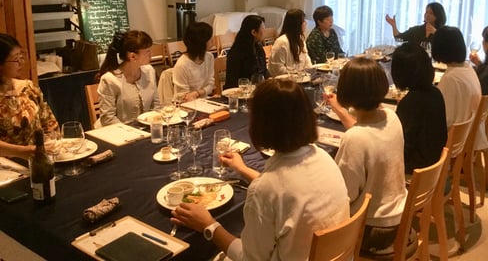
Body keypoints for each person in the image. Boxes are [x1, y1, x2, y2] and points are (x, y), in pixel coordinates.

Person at [171, 79, 349, 260]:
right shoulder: (323, 157)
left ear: (259, 124)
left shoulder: (266, 189)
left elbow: (249, 258)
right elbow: (285, 188)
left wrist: (208, 225)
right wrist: (242, 169)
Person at [326, 57, 407, 256]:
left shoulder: (355, 139)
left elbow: (344, 195)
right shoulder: (392, 117)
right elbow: (365, 131)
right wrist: (339, 109)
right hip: (400, 215)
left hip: (372, 229)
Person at [391, 43, 447, 174]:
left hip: (415, 168)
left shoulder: (411, 103)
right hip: (433, 161)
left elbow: (401, 146)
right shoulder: (435, 93)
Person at [0, 33, 57, 158]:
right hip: (6, 164)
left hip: (39, 158)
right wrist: (23, 152)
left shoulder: (28, 87)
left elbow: (49, 122)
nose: (21, 63)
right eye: (16, 59)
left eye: (22, 57)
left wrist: (52, 142)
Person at [97, 30, 159, 126]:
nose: (151, 55)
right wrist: (134, 131)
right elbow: (108, 119)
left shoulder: (149, 71)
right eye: (147, 52)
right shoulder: (109, 80)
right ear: (133, 56)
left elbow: (156, 105)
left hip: (146, 128)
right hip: (119, 131)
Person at [432, 27, 481, 143]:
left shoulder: (451, 78)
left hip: (452, 141)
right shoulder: (468, 68)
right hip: (468, 134)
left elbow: (444, 120)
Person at [224, 15, 270, 89]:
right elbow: (232, 82)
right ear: (253, 32)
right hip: (242, 91)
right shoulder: (237, 52)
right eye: (263, 28)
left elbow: (264, 71)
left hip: (259, 88)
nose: (265, 31)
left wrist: (271, 80)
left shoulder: (258, 47)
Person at [172, 22, 215, 101]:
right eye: (210, 38)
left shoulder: (209, 57)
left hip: (203, 101)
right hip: (186, 104)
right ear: (201, 42)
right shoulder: (182, 64)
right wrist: (199, 95)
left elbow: (211, 84)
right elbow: (183, 97)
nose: (213, 41)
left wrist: (197, 93)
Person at [268, 9, 312, 77]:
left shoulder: (300, 38)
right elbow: (277, 69)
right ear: (297, 24)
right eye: (303, 21)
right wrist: (296, 74)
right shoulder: (282, 42)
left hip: (301, 77)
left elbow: (306, 58)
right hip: (285, 80)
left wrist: (309, 71)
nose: (305, 23)